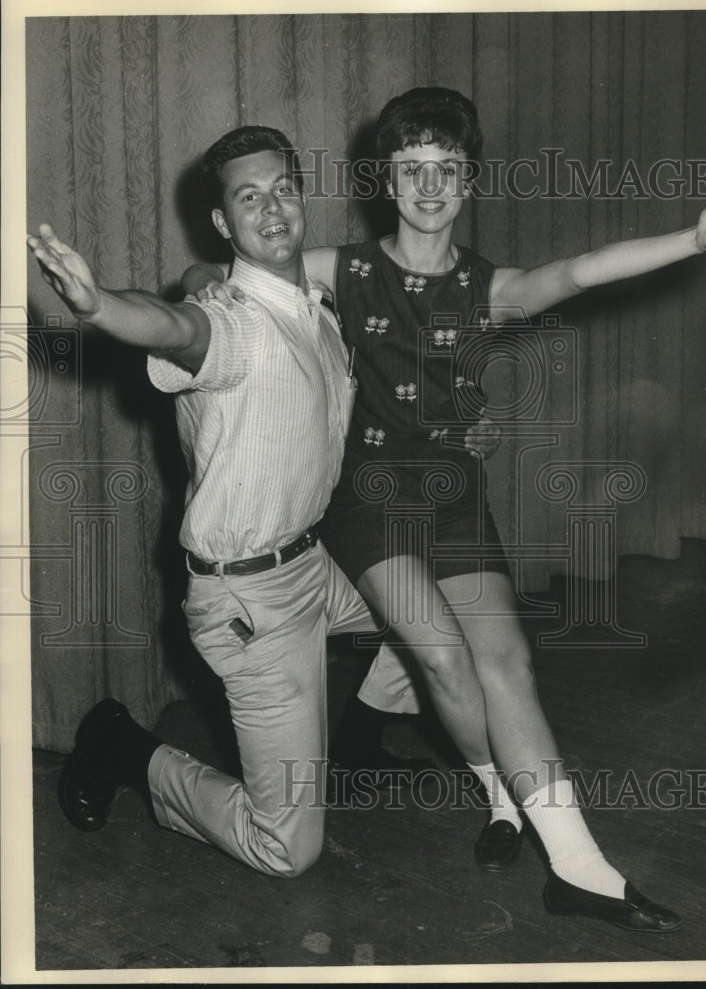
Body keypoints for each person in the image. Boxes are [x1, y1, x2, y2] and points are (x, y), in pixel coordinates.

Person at [184, 87, 706, 931]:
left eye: (447, 170)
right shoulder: (338, 268)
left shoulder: (490, 287)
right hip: (369, 499)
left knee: (508, 665)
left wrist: (695, 239)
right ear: (386, 179)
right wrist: (197, 283)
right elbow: (220, 277)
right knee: (444, 658)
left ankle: (578, 870)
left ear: (468, 181)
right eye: (411, 169)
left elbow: (581, 269)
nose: (429, 187)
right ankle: (500, 793)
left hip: (453, 495)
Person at [27, 124, 456, 878]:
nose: (272, 208)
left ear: (303, 199)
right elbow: (177, 326)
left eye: (283, 189)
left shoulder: (315, 309)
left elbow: (200, 282)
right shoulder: (232, 326)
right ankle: (125, 748)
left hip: (317, 561)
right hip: (252, 600)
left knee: (453, 601)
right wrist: (98, 307)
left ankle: (356, 745)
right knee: (286, 849)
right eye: (248, 198)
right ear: (224, 221)